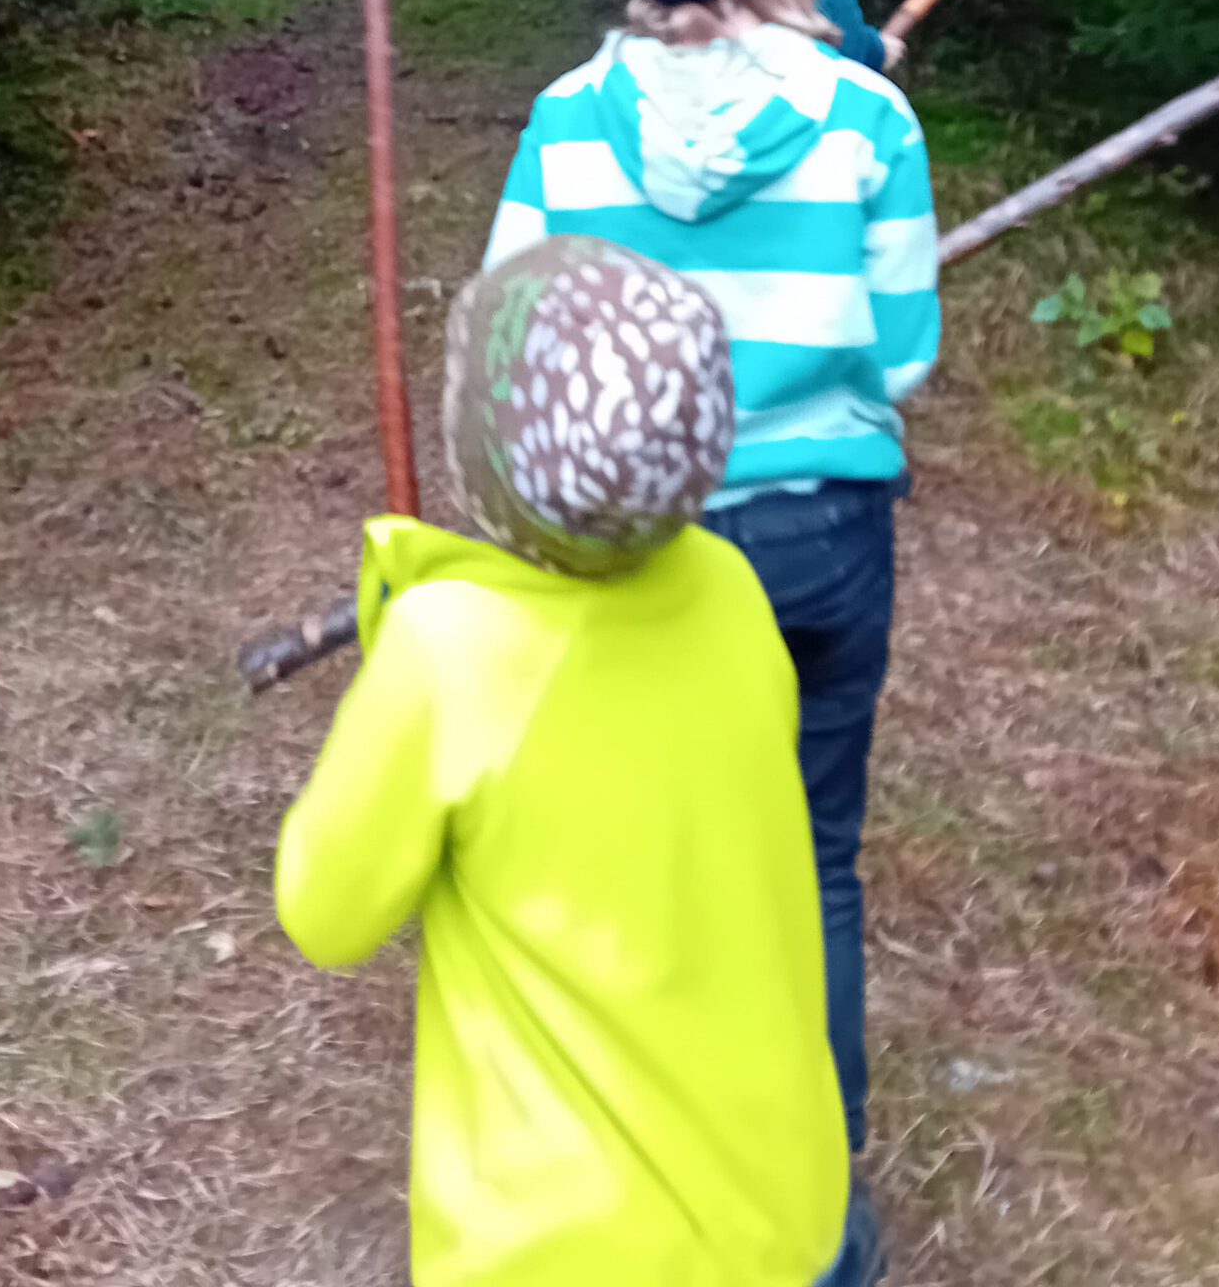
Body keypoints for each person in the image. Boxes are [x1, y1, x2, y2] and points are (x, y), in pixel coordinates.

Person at [483, 0, 940, 1182]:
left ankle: (659, 1177)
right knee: (816, 872)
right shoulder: (868, 122)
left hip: (638, 553)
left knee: (652, 866)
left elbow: (510, 336)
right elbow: (905, 359)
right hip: (822, 546)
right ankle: (817, 1220)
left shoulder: (565, 124)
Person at [275, 239, 875, 1287]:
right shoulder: (729, 587)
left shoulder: (447, 654)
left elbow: (324, 914)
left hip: (568, 1255)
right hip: (789, 1225)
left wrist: (408, 639)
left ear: (483, 454)